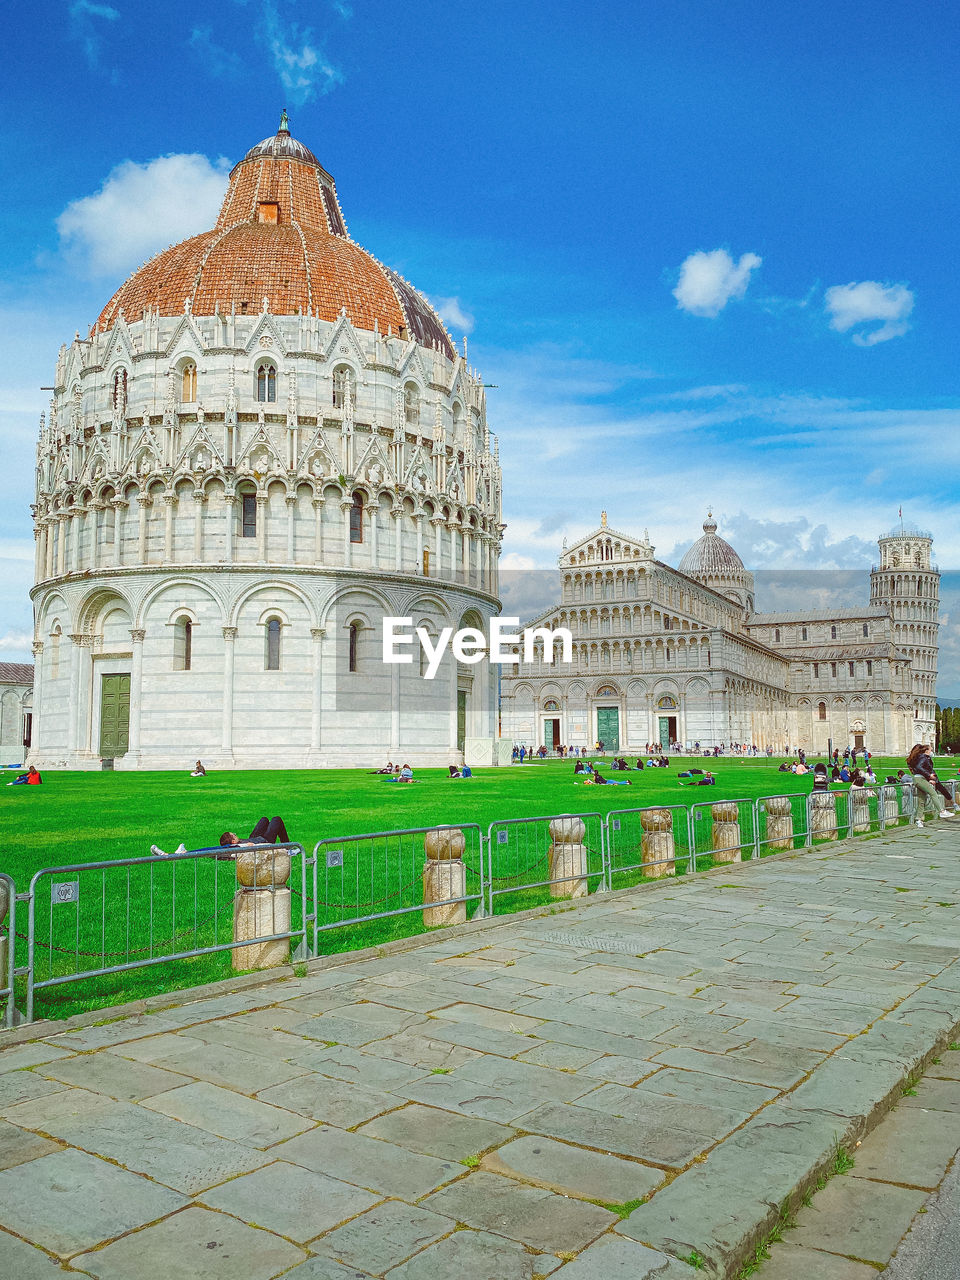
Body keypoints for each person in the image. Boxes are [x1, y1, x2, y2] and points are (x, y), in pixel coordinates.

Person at [906, 744, 955, 827]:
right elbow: (919, 768)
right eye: (931, 750)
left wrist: (929, 779)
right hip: (920, 779)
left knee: (922, 800)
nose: (932, 752)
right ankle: (942, 812)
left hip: (919, 779)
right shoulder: (924, 757)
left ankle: (918, 820)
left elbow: (919, 769)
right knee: (933, 793)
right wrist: (930, 776)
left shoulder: (919, 757)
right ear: (927, 751)